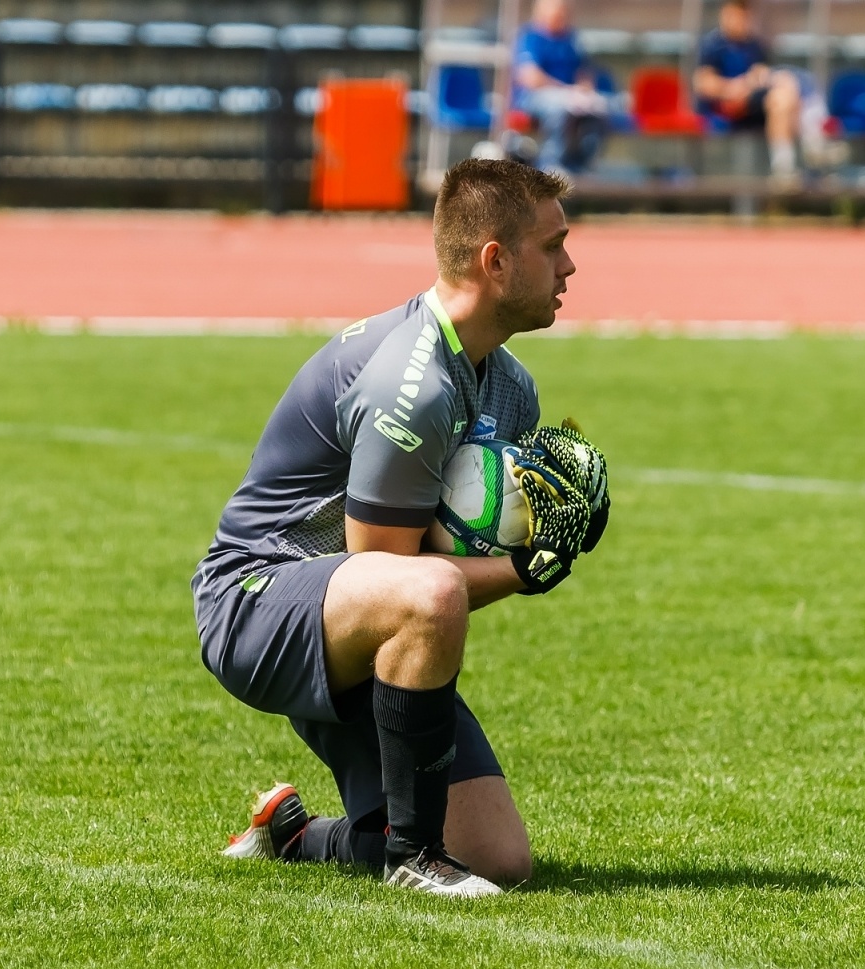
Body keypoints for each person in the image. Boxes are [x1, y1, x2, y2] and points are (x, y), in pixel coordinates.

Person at [193, 160, 610, 898]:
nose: (570, 264)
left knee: (501, 860)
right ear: (495, 259)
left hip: (356, 620)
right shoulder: (410, 386)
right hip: (255, 602)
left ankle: (293, 833)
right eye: (554, 245)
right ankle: (414, 859)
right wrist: (528, 568)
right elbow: (394, 569)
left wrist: (539, 515)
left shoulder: (510, 386)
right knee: (429, 594)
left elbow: (443, 548)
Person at [693, 0, 806, 181]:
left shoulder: (754, 46)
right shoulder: (713, 45)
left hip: (754, 102)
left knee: (785, 91)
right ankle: (806, 152)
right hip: (728, 105)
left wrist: (759, 79)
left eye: (743, 16)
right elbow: (703, 84)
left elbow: (761, 74)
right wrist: (734, 87)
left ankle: (787, 167)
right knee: (783, 92)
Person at [513, 0, 607, 174]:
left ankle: (582, 164)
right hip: (532, 97)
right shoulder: (530, 37)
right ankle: (550, 165)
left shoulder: (570, 39)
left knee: (598, 108)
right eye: (557, 12)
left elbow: (585, 71)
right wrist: (565, 91)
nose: (562, 17)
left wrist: (584, 88)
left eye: (564, 13)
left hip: (569, 96)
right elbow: (530, 77)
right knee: (558, 106)